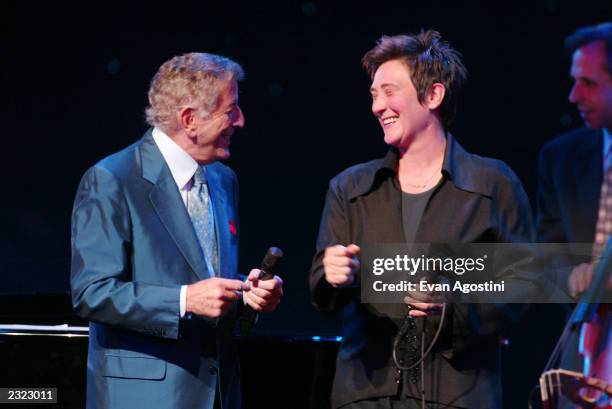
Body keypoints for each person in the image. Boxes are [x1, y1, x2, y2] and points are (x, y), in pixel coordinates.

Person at [309, 30, 536, 409]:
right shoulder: (350, 187)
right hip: (367, 394)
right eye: (373, 95)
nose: (377, 107)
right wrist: (331, 274)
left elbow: (526, 284)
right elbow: (323, 288)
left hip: (458, 394)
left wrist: (455, 305)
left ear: (433, 95)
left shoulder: (492, 184)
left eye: (389, 91)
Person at [70, 52, 283, 409]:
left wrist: (247, 294)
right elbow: (92, 292)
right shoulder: (112, 179)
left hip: (220, 394)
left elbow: (206, 278)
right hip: (145, 397)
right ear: (189, 119)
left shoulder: (221, 178)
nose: (241, 121)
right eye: (231, 110)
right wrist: (184, 300)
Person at [536, 22, 612, 406]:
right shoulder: (560, 157)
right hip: (587, 351)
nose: (573, 95)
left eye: (589, 83)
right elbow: (544, 260)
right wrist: (572, 275)